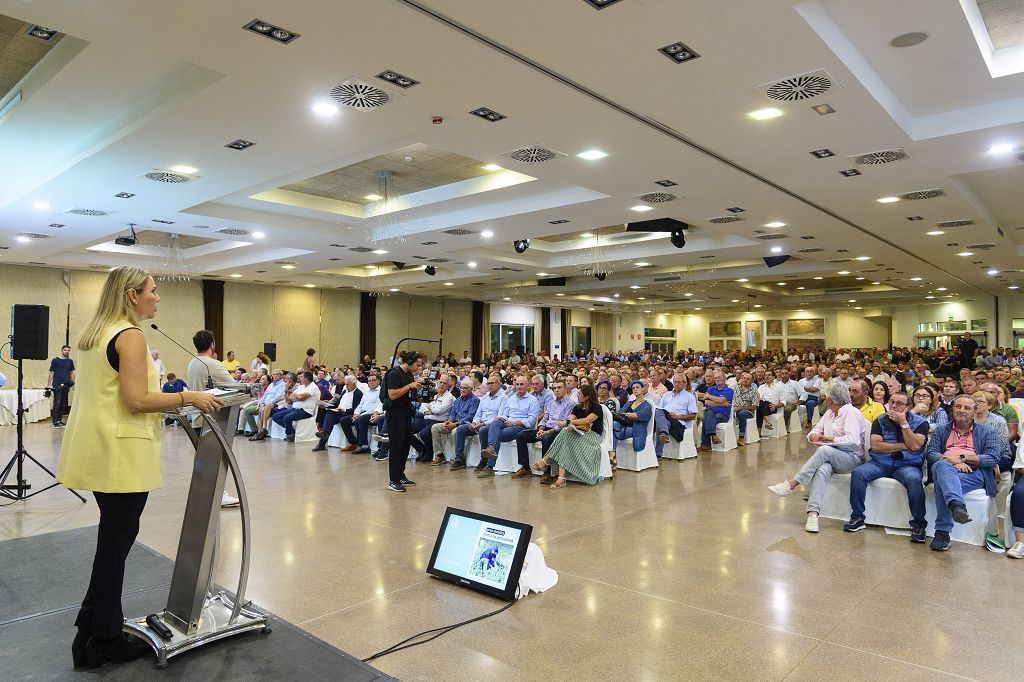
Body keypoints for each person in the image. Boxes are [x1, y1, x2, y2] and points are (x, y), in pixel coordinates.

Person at [55, 266, 222, 669]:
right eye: (152, 290)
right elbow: (136, 399)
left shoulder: (96, 333)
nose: (157, 297)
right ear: (132, 295)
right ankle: (104, 640)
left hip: (100, 448)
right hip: (120, 453)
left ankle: (89, 634)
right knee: (115, 546)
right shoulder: (129, 336)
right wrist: (190, 397)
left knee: (112, 541)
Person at [767, 382, 868, 533]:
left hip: (852, 458)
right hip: (833, 456)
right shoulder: (829, 413)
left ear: (830, 400)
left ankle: (793, 484)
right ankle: (813, 515)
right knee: (822, 469)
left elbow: (853, 442)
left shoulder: (851, 413)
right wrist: (813, 436)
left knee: (825, 450)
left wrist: (827, 439)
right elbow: (813, 433)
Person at [845, 390, 930, 540]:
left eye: (899, 403)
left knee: (914, 481)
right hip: (881, 462)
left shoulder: (921, 423)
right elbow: (877, 446)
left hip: (907, 464)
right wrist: (904, 445)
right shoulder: (880, 420)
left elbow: (916, 446)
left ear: (908, 407)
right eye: (891, 402)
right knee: (858, 473)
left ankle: (918, 525)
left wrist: (903, 423)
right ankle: (857, 517)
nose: (894, 406)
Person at [925, 395, 1000, 551]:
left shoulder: (988, 431)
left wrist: (962, 459)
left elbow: (993, 458)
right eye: (958, 407)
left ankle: (942, 532)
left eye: (967, 408)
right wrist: (951, 461)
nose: (962, 410)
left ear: (975, 410)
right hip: (946, 468)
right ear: (953, 409)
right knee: (942, 467)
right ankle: (957, 506)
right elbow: (931, 453)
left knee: (942, 481)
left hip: (975, 474)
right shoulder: (941, 430)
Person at [531, 384, 604, 488]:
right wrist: (571, 422)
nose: (577, 396)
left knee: (565, 432)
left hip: (592, 436)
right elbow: (571, 419)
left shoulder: (597, 407)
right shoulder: (577, 407)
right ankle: (560, 479)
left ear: (587, 396)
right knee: (565, 438)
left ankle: (546, 460)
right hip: (578, 434)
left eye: (579, 394)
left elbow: (587, 420)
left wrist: (570, 421)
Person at [478, 375, 539, 478]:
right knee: (487, 428)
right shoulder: (511, 398)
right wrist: (501, 418)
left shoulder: (533, 400)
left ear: (527, 385)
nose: (519, 387)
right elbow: (505, 414)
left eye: (522, 384)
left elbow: (531, 421)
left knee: (498, 434)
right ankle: (490, 449)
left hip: (520, 427)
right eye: (517, 384)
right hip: (508, 423)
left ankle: (490, 466)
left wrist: (514, 423)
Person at [514, 379, 575, 478]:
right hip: (546, 429)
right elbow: (545, 418)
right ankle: (525, 468)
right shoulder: (551, 403)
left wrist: (546, 432)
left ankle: (547, 472)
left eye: (559, 388)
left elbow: (564, 424)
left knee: (546, 439)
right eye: (554, 388)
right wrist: (541, 429)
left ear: (565, 389)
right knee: (521, 436)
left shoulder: (571, 403)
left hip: (558, 431)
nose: (556, 390)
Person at [383, 351, 423, 492]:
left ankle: (400, 475)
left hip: (406, 412)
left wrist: (416, 389)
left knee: (405, 445)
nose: (418, 368)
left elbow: (408, 394)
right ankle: (393, 480)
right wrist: (409, 386)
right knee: (396, 447)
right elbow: (392, 395)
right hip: (394, 414)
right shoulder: (394, 373)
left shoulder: (409, 374)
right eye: (417, 365)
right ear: (410, 362)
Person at [654, 374, 697, 458]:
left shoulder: (689, 397)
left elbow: (693, 416)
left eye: (679, 382)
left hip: (679, 423)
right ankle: (663, 435)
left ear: (685, 383)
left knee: (660, 416)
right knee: (661, 416)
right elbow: (660, 410)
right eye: (675, 382)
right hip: (666, 421)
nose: (676, 384)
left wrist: (677, 417)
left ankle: (658, 452)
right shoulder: (666, 394)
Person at [271, 371, 318, 441]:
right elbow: (289, 400)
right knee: (275, 416)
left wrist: (297, 397)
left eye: (301, 377)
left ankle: (289, 434)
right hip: (295, 409)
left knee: (287, 418)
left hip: (306, 410)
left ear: (306, 378)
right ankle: (292, 431)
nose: (299, 379)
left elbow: (301, 398)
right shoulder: (301, 387)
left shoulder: (313, 387)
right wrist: (287, 391)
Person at [612, 380, 653, 458]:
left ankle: (612, 454)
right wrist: (628, 415)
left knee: (613, 431)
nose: (635, 389)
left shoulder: (647, 405)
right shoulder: (629, 403)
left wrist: (626, 415)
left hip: (636, 428)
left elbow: (637, 416)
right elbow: (620, 414)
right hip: (623, 426)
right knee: (615, 424)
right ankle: (613, 453)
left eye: (637, 387)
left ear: (643, 389)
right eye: (633, 388)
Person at [696, 371, 732, 452]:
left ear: (724, 378)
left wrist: (709, 396)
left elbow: (721, 400)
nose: (717, 379)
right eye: (715, 378)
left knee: (707, 416)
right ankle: (713, 435)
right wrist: (721, 403)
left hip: (723, 414)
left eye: (719, 377)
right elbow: (706, 402)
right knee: (709, 413)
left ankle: (706, 444)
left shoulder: (729, 390)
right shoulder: (711, 389)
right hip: (710, 412)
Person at [48, 344, 76, 428]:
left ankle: (59, 421)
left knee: (63, 404)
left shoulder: (70, 361)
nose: (66, 351)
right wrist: (48, 384)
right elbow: (51, 372)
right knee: (57, 403)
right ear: (62, 350)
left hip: (66, 384)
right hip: (57, 384)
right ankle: (55, 422)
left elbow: (71, 373)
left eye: (68, 350)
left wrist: (74, 384)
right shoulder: (55, 360)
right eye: (65, 350)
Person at [731, 372, 759, 446]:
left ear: (752, 381)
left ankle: (741, 436)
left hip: (748, 412)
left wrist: (739, 408)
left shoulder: (754, 392)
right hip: (733, 410)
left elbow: (754, 407)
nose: (745, 380)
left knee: (742, 413)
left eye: (748, 379)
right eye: (744, 378)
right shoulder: (735, 388)